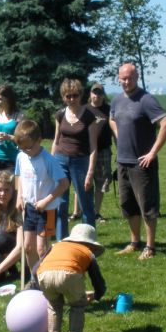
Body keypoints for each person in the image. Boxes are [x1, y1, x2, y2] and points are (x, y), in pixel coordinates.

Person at [109, 63, 166, 261]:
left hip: (142, 163)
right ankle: (134, 242)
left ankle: (150, 246)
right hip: (123, 161)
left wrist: (152, 152)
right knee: (128, 205)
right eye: (123, 78)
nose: (126, 82)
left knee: (147, 206)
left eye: (130, 78)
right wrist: (119, 134)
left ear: (136, 77)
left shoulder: (146, 100)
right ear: (118, 78)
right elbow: (112, 118)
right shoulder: (117, 100)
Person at [14, 119, 70, 278]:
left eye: (28, 148)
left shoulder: (48, 160)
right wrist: (19, 196)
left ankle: (47, 279)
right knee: (28, 247)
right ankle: (35, 279)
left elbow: (64, 184)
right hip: (29, 207)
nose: (25, 151)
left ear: (39, 140)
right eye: (21, 148)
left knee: (41, 249)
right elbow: (19, 176)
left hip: (47, 210)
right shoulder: (21, 157)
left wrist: (46, 201)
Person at [37, 223, 107, 332]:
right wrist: (97, 295)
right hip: (69, 274)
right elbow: (97, 280)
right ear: (90, 244)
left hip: (43, 274)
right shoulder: (88, 252)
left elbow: (36, 268)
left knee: (54, 306)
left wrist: (38, 285)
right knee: (77, 305)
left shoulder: (55, 246)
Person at [52, 78, 99, 240]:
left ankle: (89, 241)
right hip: (60, 160)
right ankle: (61, 241)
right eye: (68, 96)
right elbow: (56, 141)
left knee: (86, 204)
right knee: (61, 204)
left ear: (80, 95)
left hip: (81, 162)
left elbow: (93, 147)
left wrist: (90, 173)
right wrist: (51, 165)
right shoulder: (60, 114)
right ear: (63, 97)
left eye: (75, 95)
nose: (72, 99)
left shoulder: (89, 116)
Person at [69, 81, 114, 224]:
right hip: (85, 151)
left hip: (103, 151)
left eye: (100, 93)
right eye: (95, 92)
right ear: (90, 94)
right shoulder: (84, 109)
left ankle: (96, 212)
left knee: (101, 182)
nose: (97, 95)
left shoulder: (109, 110)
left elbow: (114, 130)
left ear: (103, 95)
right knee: (81, 181)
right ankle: (76, 212)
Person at [0, 84, 24, 174]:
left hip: (13, 160)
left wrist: (8, 137)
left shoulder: (19, 116)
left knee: (11, 183)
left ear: (8, 99)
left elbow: (23, 140)